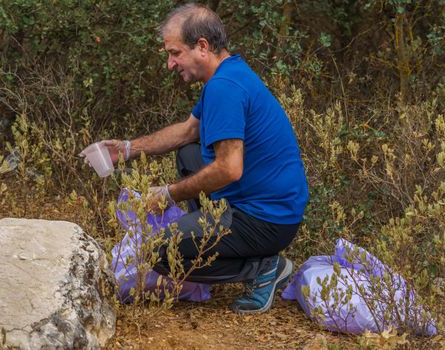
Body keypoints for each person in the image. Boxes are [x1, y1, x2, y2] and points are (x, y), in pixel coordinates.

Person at [98, 3, 309, 313]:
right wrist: (128, 149)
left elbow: (229, 168)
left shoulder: (225, 87)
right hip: (261, 203)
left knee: (160, 253)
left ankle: (263, 268)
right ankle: (211, 237)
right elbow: (187, 131)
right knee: (190, 152)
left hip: (268, 219)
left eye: (175, 53)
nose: (170, 63)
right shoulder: (227, 73)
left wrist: (168, 193)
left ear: (202, 47)